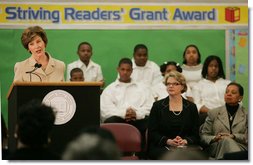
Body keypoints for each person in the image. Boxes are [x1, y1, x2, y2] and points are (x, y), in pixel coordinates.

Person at [101, 57, 154, 153]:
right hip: (118, 120)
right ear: (118, 69)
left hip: (137, 120)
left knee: (150, 122)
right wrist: (124, 113)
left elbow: (150, 106)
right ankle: (113, 154)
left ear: (132, 71)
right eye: (123, 69)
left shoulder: (142, 88)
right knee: (111, 120)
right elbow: (105, 111)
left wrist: (136, 114)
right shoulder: (109, 89)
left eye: (128, 70)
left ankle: (142, 155)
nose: (125, 72)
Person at [147, 71, 200, 160]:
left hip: (185, 147)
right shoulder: (158, 106)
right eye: (168, 84)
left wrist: (185, 141)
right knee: (170, 157)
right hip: (162, 146)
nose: (171, 86)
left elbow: (196, 134)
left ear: (182, 86)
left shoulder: (191, 107)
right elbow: (152, 132)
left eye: (175, 84)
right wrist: (168, 141)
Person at [199, 82, 248, 160]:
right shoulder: (213, 113)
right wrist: (215, 138)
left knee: (227, 140)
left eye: (233, 92)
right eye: (227, 92)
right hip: (217, 148)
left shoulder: (247, 114)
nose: (229, 94)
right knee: (226, 140)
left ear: (240, 98)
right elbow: (203, 136)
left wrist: (234, 136)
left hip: (241, 148)